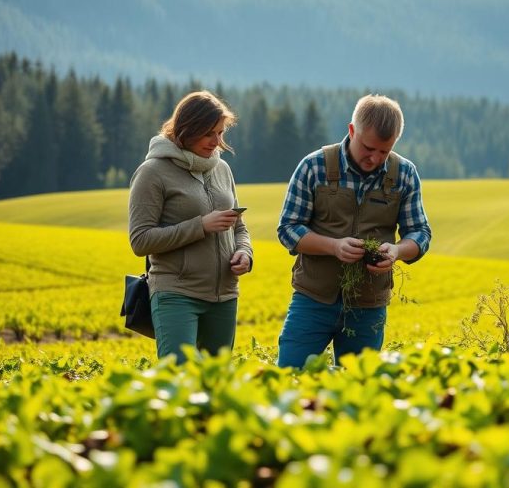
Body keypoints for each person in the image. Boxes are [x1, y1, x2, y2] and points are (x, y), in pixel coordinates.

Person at [276, 94, 432, 368]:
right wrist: (333, 246)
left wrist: (396, 250)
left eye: (384, 151)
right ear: (352, 131)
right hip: (313, 299)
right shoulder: (314, 166)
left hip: (369, 306)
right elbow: (288, 229)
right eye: (368, 147)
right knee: (291, 373)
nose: (374, 158)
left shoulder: (405, 173)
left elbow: (420, 233)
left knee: (358, 388)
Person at [128, 90, 252, 363]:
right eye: (209, 134)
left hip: (225, 295)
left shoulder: (222, 170)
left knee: (216, 382)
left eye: (220, 133)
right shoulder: (152, 172)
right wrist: (201, 226)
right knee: (178, 378)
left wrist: (245, 253)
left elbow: (239, 227)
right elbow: (140, 240)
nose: (217, 142)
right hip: (176, 293)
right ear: (186, 129)